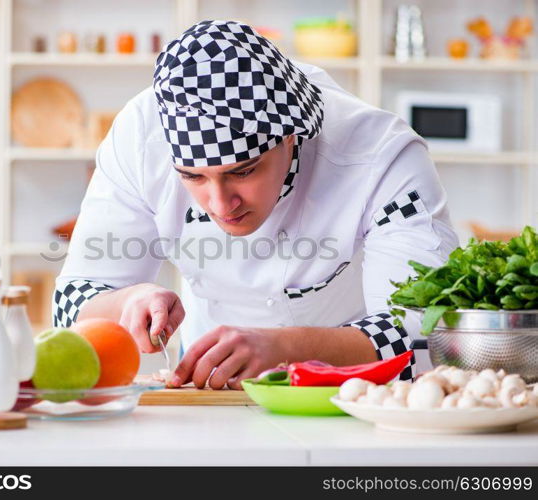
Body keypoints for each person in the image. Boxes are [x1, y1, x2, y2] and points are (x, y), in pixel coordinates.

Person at [53, 20, 459, 389]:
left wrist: (287, 349)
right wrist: (126, 302)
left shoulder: (380, 155)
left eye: (243, 171)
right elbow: (72, 305)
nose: (220, 203)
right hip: (209, 387)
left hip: (352, 390)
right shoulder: (139, 138)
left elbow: (430, 335)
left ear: (290, 139)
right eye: (193, 177)